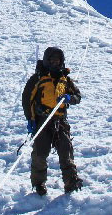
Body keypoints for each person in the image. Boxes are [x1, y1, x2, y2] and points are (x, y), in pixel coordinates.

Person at [21, 47, 83, 196]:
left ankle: (71, 181)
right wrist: (31, 119)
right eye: (52, 60)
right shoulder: (38, 77)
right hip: (42, 119)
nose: (55, 62)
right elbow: (26, 98)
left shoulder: (65, 79)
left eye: (58, 60)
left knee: (66, 149)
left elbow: (78, 96)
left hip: (60, 120)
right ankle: (38, 183)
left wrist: (70, 98)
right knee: (40, 153)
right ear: (46, 60)